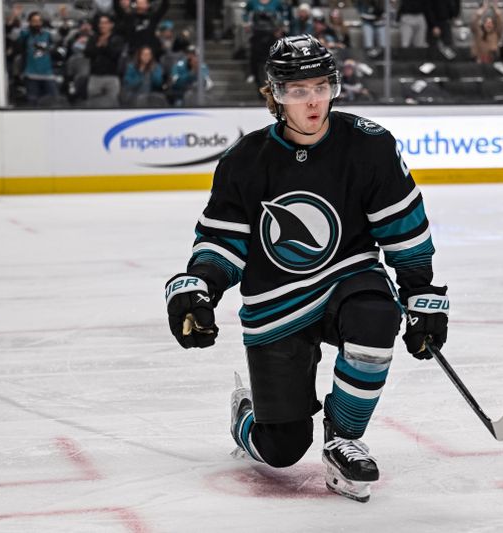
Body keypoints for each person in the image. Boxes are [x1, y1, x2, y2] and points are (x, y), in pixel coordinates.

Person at [164, 34, 448, 503]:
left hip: (348, 278)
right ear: (275, 95)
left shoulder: (369, 146)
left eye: (320, 87)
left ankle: (344, 439)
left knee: (376, 316)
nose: (313, 101)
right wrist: (201, 287)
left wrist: (420, 293)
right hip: (276, 302)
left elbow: (403, 227)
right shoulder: (245, 160)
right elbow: (223, 241)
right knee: (281, 449)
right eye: (298, 91)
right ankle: (246, 417)